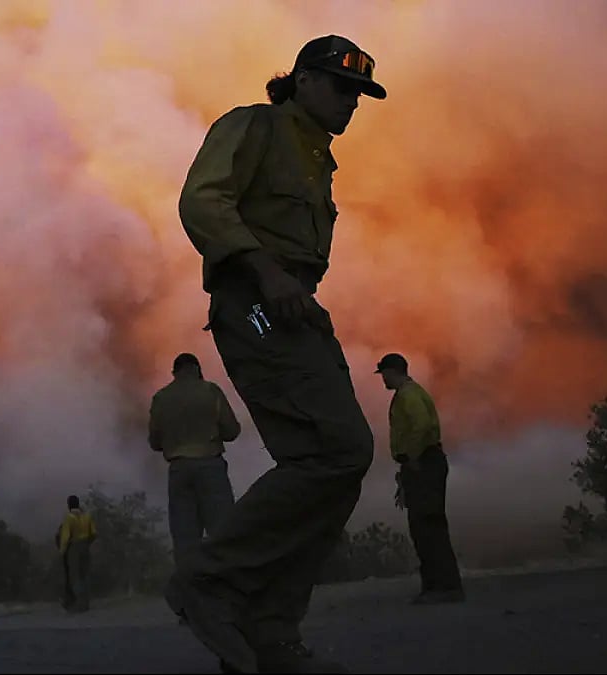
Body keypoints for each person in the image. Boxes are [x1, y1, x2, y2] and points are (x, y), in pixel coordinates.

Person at [169, 34, 387, 673]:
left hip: (290, 306)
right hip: (256, 302)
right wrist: (266, 273)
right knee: (341, 450)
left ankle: (268, 628)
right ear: (303, 81)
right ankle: (208, 580)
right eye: (342, 88)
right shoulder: (255, 126)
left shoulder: (317, 157)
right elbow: (201, 201)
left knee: (328, 457)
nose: (352, 103)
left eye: (359, 94)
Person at [376, 353, 464, 604]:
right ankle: (440, 586)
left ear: (393, 371)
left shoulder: (408, 395)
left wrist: (412, 457)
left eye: (384, 373)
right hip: (425, 463)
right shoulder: (412, 392)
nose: (383, 379)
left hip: (424, 463)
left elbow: (421, 425)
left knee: (427, 526)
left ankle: (442, 588)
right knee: (427, 525)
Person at [148, 353, 241, 574]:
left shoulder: (161, 398)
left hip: (179, 469)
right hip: (210, 465)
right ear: (197, 369)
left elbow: (154, 442)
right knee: (222, 531)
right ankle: (226, 584)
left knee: (185, 536)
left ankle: (191, 589)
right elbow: (232, 431)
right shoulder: (210, 391)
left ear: (174, 373)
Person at [57, 494, 98, 613]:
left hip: (73, 547)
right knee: (85, 575)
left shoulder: (69, 518)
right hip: (85, 546)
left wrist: (62, 552)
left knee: (75, 576)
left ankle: (76, 604)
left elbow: (65, 538)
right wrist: (87, 543)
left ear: (69, 505)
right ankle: (85, 604)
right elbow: (94, 533)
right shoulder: (87, 516)